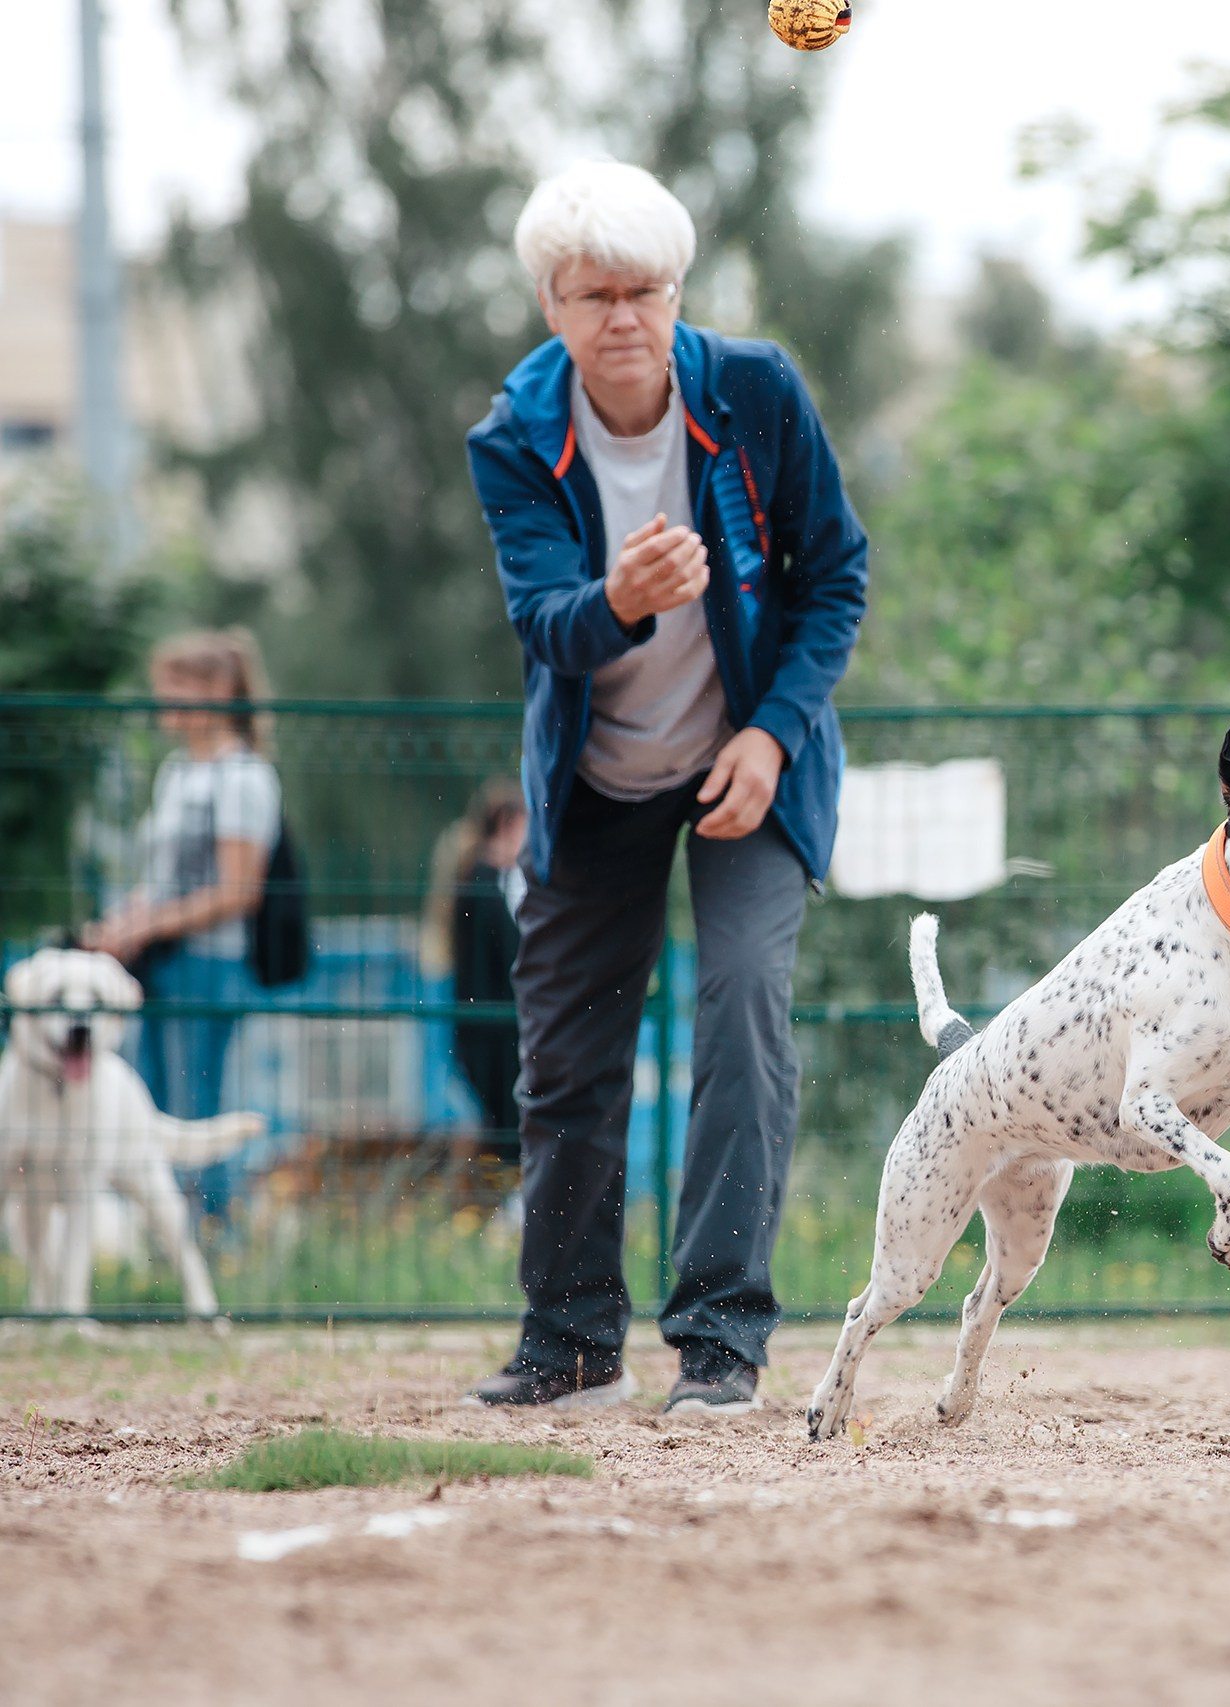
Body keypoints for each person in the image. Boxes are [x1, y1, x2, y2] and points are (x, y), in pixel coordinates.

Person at [463, 160, 867, 1415]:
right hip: (596, 782)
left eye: (646, 290)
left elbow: (835, 578)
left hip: (748, 768)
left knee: (741, 1013)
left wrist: (772, 736)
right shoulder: (514, 436)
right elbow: (545, 624)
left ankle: (721, 1341)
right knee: (568, 1059)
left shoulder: (754, 392)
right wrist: (621, 602)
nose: (623, 317)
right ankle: (570, 1345)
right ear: (552, 303)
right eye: (595, 295)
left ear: (679, 292)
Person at [82, 629, 283, 1219]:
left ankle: (215, 1232)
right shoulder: (176, 773)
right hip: (164, 959)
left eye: (176, 688)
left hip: (211, 962)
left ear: (217, 690)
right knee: (155, 1102)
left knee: (198, 1105)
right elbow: (163, 876)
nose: (163, 701)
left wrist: (153, 925)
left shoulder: (243, 777)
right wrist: (124, 923)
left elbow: (238, 891)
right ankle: (171, 1230)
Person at [421, 780, 528, 1158]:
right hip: (493, 1026)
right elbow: (512, 950)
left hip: (487, 1024)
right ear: (508, 824)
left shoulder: (479, 877)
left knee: (498, 1121)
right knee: (506, 1122)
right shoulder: (484, 881)